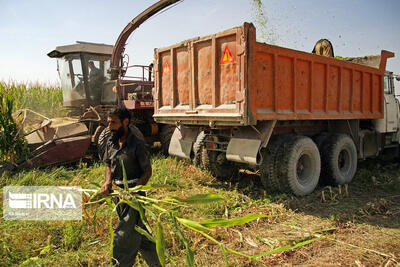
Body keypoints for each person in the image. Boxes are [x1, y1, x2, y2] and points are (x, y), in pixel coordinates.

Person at [100, 107, 161, 267]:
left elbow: (147, 171)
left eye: (113, 123)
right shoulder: (111, 142)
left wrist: (133, 191)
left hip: (133, 198)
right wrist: (107, 182)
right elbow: (108, 164)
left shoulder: (137, 144)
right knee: (140, 233)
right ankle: (156, 264)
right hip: (118, 196)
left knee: (124, 237)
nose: (109, 127)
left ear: (125, 122)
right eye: (108, 122)